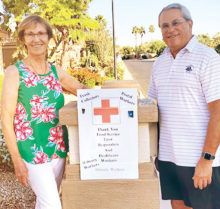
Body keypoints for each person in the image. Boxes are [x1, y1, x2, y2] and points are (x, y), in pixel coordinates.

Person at [1, 15, 87, 209]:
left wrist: (116, 93)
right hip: (30, 150)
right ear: (23, 39)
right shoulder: (15, 72)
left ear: (49, 38)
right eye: (30, 34)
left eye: (41, 33)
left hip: (57, 148)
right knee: (52, 205)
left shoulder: (56, 71)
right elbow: (6, 119)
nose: (36, 39)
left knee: (46, 201)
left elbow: (83, 91)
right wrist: (17, 161)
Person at [148, 3, 220, 209]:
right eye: (164, 25)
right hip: (169, 158)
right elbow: (153, 110)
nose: (170, 29)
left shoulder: (208, 58)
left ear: (190, 23)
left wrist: (206, 159)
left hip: (200, 160)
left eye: (175, 22)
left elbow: (218, 113)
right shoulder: (159, 62)